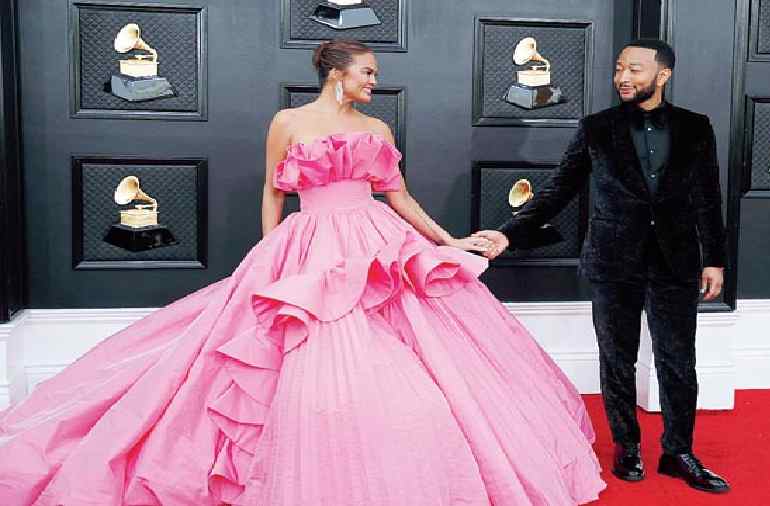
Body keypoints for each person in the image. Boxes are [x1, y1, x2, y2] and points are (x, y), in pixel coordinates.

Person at [0, 39, 605, 505]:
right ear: (338, 73)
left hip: (375, 243)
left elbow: (399, 197)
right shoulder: (287, 124)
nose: (375, 81)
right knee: (274, 355)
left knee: (411, 357)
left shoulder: (377, 129)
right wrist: (270, 256)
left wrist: (449, 240)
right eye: (367, 72)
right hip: (306, 246)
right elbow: (271, 192)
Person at [477, 39, 731, 494]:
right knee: (618, 359)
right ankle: (627, 446)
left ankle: (679, 452)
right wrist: (510, 232)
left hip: (676, 260)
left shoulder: (696, 128)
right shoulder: (598, 128)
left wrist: (714, 258)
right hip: (615, 259)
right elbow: (559, 190)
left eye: (634, 69)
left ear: (663, 75)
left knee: (678, 361)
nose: (623, 78)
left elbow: (707, 196)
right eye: (619, 69)